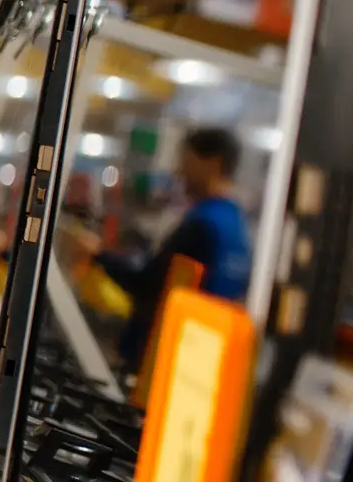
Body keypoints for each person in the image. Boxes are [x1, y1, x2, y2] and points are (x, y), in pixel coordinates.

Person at [95, 127, 252, 375]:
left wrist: (98, 255)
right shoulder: (237, 229)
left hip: (163, 364)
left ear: (213, 164)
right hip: (201, 365)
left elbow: (148, 285)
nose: (180, 173)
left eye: (187, 162)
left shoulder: (202, 224)